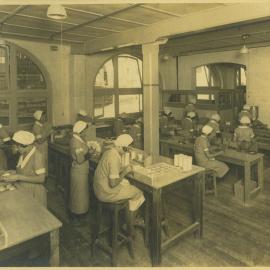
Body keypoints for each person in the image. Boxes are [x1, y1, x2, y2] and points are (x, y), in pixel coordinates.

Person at [93, 134, 145, 234]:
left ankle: (129, 218)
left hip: (99, 187)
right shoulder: (114, 157)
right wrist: (125, 172)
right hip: (106, 192)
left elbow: (113, 171)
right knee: (138, 193)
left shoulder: (110, 151)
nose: (129, 151)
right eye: (128, 149)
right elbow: (112, 183)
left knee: (128, 184)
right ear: (122, 147)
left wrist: (123, 169)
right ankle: (130, 224)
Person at [1, 130, 47, 206]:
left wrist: (19, 177)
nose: (16, 150)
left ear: (25, 145)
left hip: (34, 192)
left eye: (17, 147)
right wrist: (14, 172)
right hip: (24, 189)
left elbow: (41, 179)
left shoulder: (37, 156)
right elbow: (25, 170)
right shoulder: (23, 154)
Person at [69, 120, 90, 220]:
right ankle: (78, 217)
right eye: (84, 131)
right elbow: (80, 159)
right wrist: (89, 155)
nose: (85, 132)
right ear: (80, 131)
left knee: (80, 194)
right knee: (79, 195)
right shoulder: (76, 142)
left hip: (80, 171)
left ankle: (78, 214)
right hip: (79, 171)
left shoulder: (77, 138)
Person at [32, 110, 52, 175]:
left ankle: (44, 177)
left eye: (45, 116)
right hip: (39, 148)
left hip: (43, 148)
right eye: (43, 117)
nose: (44, 118)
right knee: (41, 164)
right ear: (38, 118)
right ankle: (41, 178)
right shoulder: (36, 127)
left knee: (44, 162)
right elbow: (40, 141)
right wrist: (49, 133)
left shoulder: (41, 125)